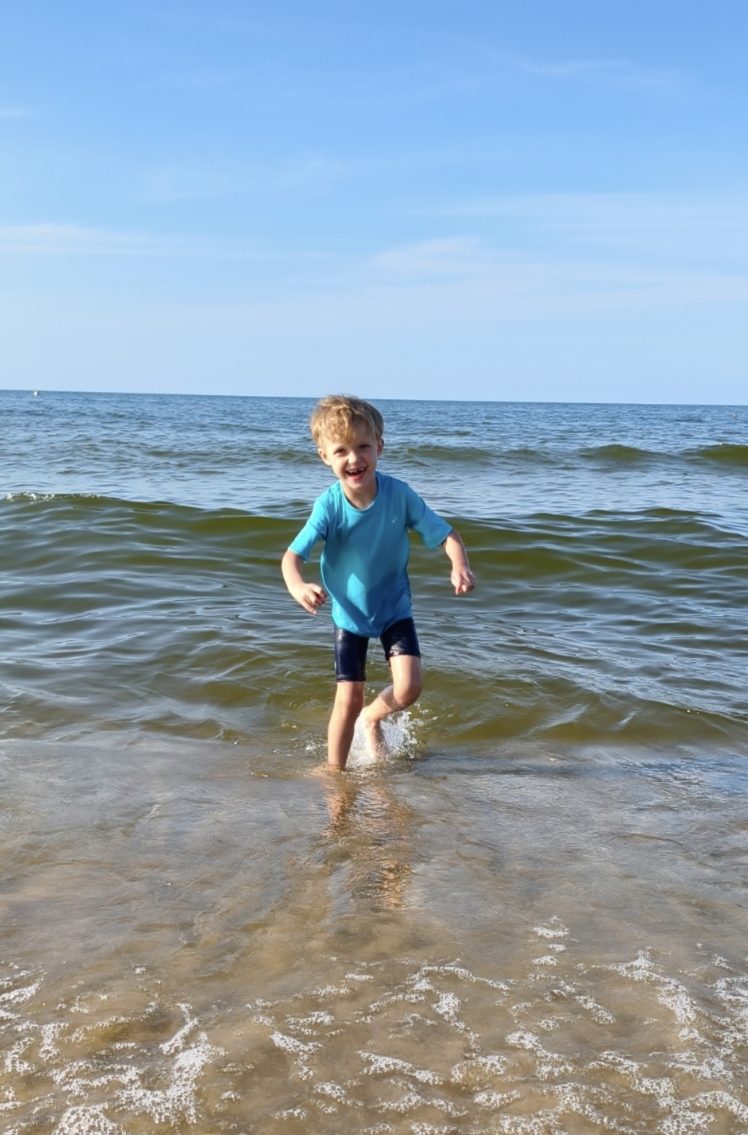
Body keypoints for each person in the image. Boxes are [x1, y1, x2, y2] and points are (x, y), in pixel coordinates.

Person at [281, 394, 475, 770]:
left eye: (363, 447)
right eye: (341, 451)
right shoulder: (329, 506)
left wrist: (459, 565)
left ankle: (372, 718)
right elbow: (292, 556)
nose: (354, 459)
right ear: (325, 457)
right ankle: (334, 772)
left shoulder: (399, 496)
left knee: (409, 688)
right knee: (348, 698)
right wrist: (298, 586)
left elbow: (446, 534)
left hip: (393, 607)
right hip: (349, 614)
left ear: (379, 447)